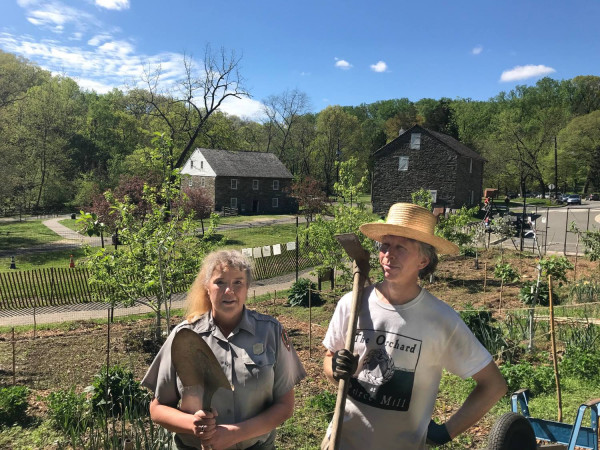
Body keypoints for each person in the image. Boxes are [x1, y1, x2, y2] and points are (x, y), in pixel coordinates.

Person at [322, 203, 507, 449]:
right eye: (385, 245)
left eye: (401, 247)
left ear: (423, 260)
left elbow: (493, 386)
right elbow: (329, 358)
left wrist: (444, 433)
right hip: (340, 442)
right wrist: (334, 368)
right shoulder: (354, 302)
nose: (389, 254)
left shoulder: (440, 319)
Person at [142, 249, 306, 449]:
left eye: (238, 282)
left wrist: (236, 434)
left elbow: (284, 406)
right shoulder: (184, 337)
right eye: (220, 282)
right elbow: (158, 409)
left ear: (247, 288)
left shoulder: (270, 332)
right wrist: (194, 425)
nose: (229, 291)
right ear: (207, 288)